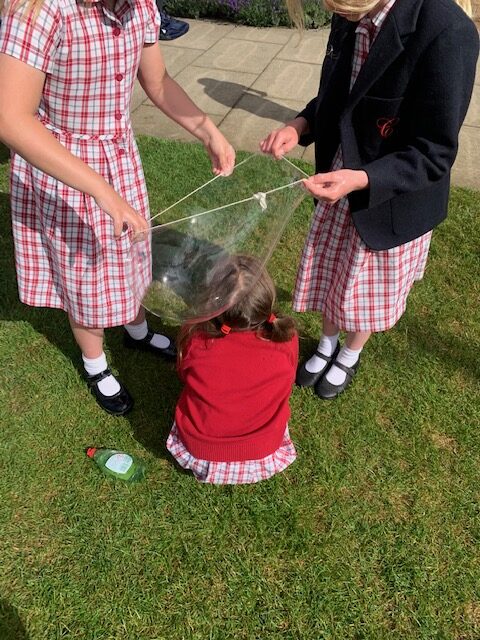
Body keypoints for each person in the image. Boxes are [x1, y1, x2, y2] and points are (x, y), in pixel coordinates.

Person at [0, 0, 235, 415]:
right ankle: (96, 364)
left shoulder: (140, 6)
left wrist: (207, 130)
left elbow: (158, 80)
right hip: (65, 162)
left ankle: (136, 329)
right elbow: (11, 119)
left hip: (117, 154)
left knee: (131, 253)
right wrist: (102, 192)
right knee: (86, 273)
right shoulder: (41, 12)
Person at [261, 0, 479, 399]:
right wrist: (300, 125)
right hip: (342, 176)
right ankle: (327, 342)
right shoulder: (351, 12)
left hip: (391, 194)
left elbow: (435, 152)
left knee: (364, 285)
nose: (337, 12)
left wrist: (361, 178)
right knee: (333, 271)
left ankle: (350, 351)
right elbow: (338, 94)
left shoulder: (449, 33)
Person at [167, 255, 298, 484]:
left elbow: (183, 374)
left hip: (202, 452)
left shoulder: (197, 338)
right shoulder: (285, 338)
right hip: (264, 451)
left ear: (213, 301)